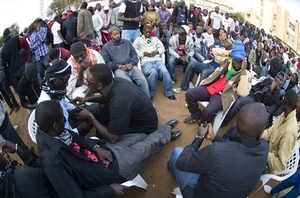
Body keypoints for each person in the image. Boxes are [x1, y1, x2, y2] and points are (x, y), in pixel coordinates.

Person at [35, 100, 177, 197]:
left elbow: (80, 140)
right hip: (110, 171)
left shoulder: (55, 132)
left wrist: (96, 147)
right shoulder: (52, 161)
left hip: (105, 151)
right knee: (147, 146)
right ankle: (167, 131)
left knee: (137, 136)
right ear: (54, 124)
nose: (65, 119)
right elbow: (76, 196)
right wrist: (109, 190)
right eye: (62, 118)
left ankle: (162, 130)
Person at [168, 102, 269, 198]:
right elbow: (237, 149)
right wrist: (214, 137)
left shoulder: (217, 152)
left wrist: (200, 136)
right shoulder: (264, 148)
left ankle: (174, 173)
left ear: (236, 125)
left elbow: (182, 162)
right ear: (260, 133)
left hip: (201, 194)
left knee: (177, 153)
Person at [73, 64, 182, 143]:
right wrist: (86, 100)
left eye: (88, 83)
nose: (86, 84)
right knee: (98, 111)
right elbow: (105, 97)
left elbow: (113, 137)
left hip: (144, 126)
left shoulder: (119, 103)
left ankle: (163, 134)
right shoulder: (114, 82)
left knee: (101, 133)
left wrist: (90, 117)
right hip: (135, 115)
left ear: (99, 86)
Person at [184, 40, 252, 124]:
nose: (238, 64)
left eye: (240, 62)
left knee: (208, 111)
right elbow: (214, 51)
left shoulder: (245, 74)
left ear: (244, 62)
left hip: (222, 95)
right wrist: (231, 54)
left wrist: (244, 71)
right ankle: (196, 116)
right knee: (190, 94)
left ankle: (203, 125)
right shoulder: (228, 61)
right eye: (236, 61)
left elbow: (242, 92)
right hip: (213, 87)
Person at [38, 59, 94, 136]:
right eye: (65, 80)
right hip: (68, 132)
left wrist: (76, 108)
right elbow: (62, 134)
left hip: (67, 117)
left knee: (94, 110)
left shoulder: (54, 91)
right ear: (55, 80)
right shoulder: (49, 105)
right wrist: (80, 128)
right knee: (90, 120)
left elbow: (64, 104)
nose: (67, 84)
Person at [101, 26, 150, 98]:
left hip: (131, 67)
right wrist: (119, 66)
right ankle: (137, 103)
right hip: (119, 70)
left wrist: (131, 64)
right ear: (110, 35)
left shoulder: (127, 43)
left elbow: (134, 55)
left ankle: (147, 101)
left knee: (143, 81)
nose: (117, 35)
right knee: (129, 85)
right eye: (115, 34)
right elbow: (107, 62)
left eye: (118, 33)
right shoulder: (106, 47)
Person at [132, 25, 176, 100]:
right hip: (146, 61)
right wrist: (143, 53)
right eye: (146, 30)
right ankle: (150, 93)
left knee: (165, 72)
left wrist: (156, 51)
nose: (148, 32)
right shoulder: (138, 40)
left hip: (157, 60)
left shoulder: (155, 39)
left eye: (150, 31)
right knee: (153, 72)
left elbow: (162, 48)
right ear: (143, 31)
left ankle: (169, 92)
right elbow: (133, 49)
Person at [261, 89, 298, 174]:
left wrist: (265, 153)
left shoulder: (290, 131)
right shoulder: (284, 114)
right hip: (267, 151)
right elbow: (271, 131)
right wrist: (257, 135)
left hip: (270, 166)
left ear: (285, 101)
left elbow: (280, 165)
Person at [1, 28, 25, 94]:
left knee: (20, 92)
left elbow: (5, 67)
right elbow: (19, 48)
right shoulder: (15, 38)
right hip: (21, 66)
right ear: (9, 33)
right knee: (30, 85)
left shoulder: (2, 51)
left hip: (13, 73)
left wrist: (8, 79)